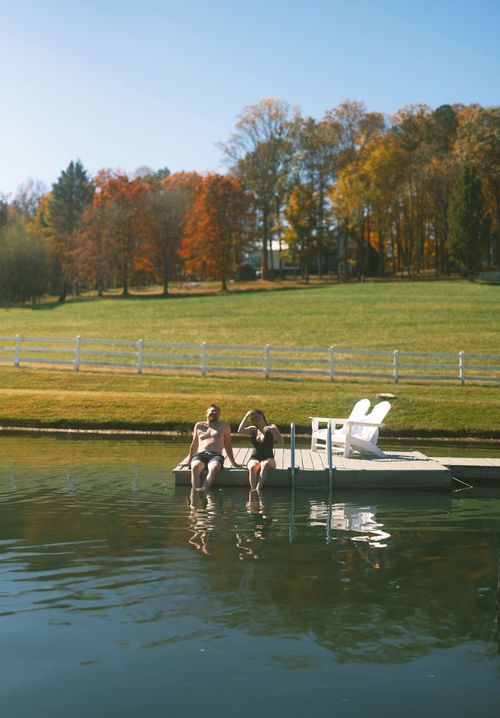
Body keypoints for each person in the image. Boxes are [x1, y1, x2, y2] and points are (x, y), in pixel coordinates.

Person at [181, 404, 240, 490]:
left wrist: (233, 463)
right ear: (206, 413)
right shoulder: (199, 425)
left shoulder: (224, 426)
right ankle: (196, 492)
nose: (214, 413)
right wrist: (189, 462)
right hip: (200, 455)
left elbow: (228, 444)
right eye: (212, 411)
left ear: (219, 415)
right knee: (195, 467)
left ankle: (204, 490)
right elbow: (194, 444)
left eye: (216, 412)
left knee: (214, 467)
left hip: (215, 455)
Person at [237, 409, 282, 491]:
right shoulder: (253, 429)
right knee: (253, 467)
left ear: (262, 416)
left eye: (257, 416)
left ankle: (258, 490)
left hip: (269, 458)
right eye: (253, 417)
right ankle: (253, 490)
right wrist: (246, 416)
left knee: (264, 465)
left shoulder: (272, 427)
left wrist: (273, 430)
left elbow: (281, 441)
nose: (255, 418)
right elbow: (240, 431)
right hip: (255, 457)